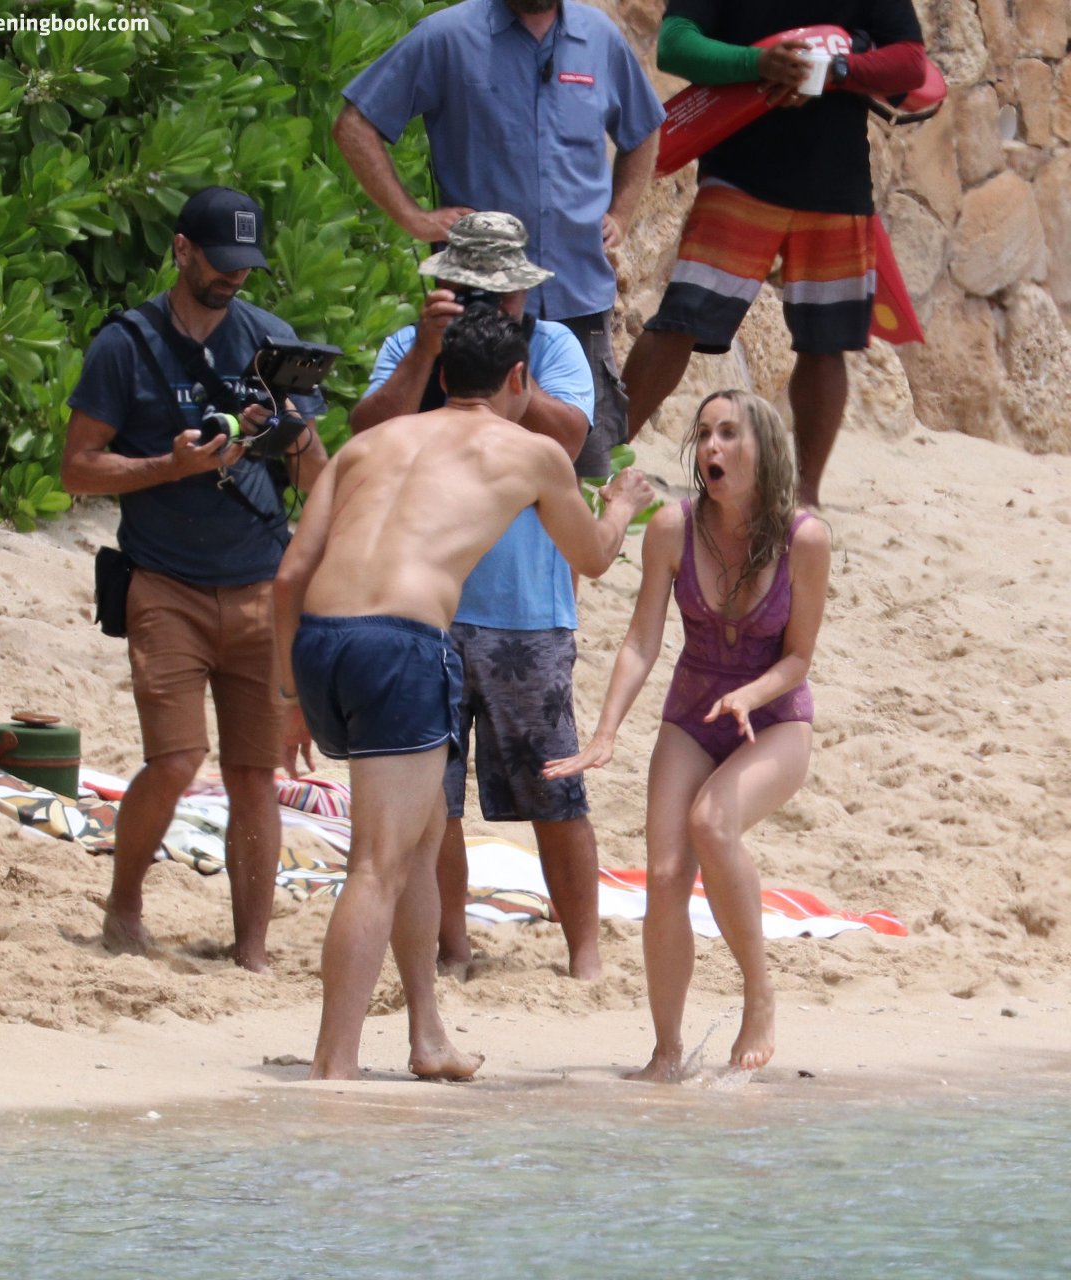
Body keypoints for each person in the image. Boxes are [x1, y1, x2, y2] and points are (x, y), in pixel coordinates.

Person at [273, 308, 655, 1080]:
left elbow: (289, 576)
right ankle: (333, 1066)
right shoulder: (532, 451)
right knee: (377, 862)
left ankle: (428, 1037)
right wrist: (619, 505)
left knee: (417, 842)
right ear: (519, 378)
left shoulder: (369, 444)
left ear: (444, 375)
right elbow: (592, 556)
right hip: (400, 642)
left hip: (320, 641)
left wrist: (287, 695)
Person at [62, 186, 328, 973]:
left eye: (245, 265)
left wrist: (292, 431)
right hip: (164, 583)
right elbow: (77, 469)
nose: (233, 277)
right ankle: (124, 906)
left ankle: (252, 951)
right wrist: (167, 466)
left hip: (260, 584)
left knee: (254, 775)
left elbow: (318, 483)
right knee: (176, 761)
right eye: (219, 261)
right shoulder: (125, 344)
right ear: (181, 250)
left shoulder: (271, 343)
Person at [544, 390, 831, 1076]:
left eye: (728, 434)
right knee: (666, 873)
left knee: (712, 822)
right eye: (703, 434)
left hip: (776, 719)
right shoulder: (673, 528)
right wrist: (606, 732)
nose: (711, 449)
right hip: (694, 716)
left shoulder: (804, 538)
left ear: (764, 448)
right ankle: (666, 1050)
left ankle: (758, 993)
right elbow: (642, 641)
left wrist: (750, 695)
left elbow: (799, 658)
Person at [351, 211, 604, 981]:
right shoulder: (411, 345)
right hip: (426, 611)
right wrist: (430, 353)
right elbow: (364, 435)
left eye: (499, 293)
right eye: (471, 292)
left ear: (524, 292)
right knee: (438, 801)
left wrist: (508, 368)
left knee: (556, 791)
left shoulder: (552, 347)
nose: (486, 305)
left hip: (527, 612)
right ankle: (453, 947)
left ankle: (586, 953)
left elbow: (571, 439)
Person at [332, 0, 666, 479]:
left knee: (576, 476)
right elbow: (355, 124)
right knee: (458, 473)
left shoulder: (601, 37)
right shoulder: (447, 36)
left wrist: (622, 212)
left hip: (578, 299)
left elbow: (645, 128)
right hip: (479, 305)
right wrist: (412, 217)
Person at [621, 1, 927, 506]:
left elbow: (911, 63)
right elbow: (675, 44)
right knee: (679, 320)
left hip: (836, 182)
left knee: (825, 342)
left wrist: (834, 70)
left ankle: (805, 498)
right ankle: (605, 460)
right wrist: (757, 63)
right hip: (738, 177)